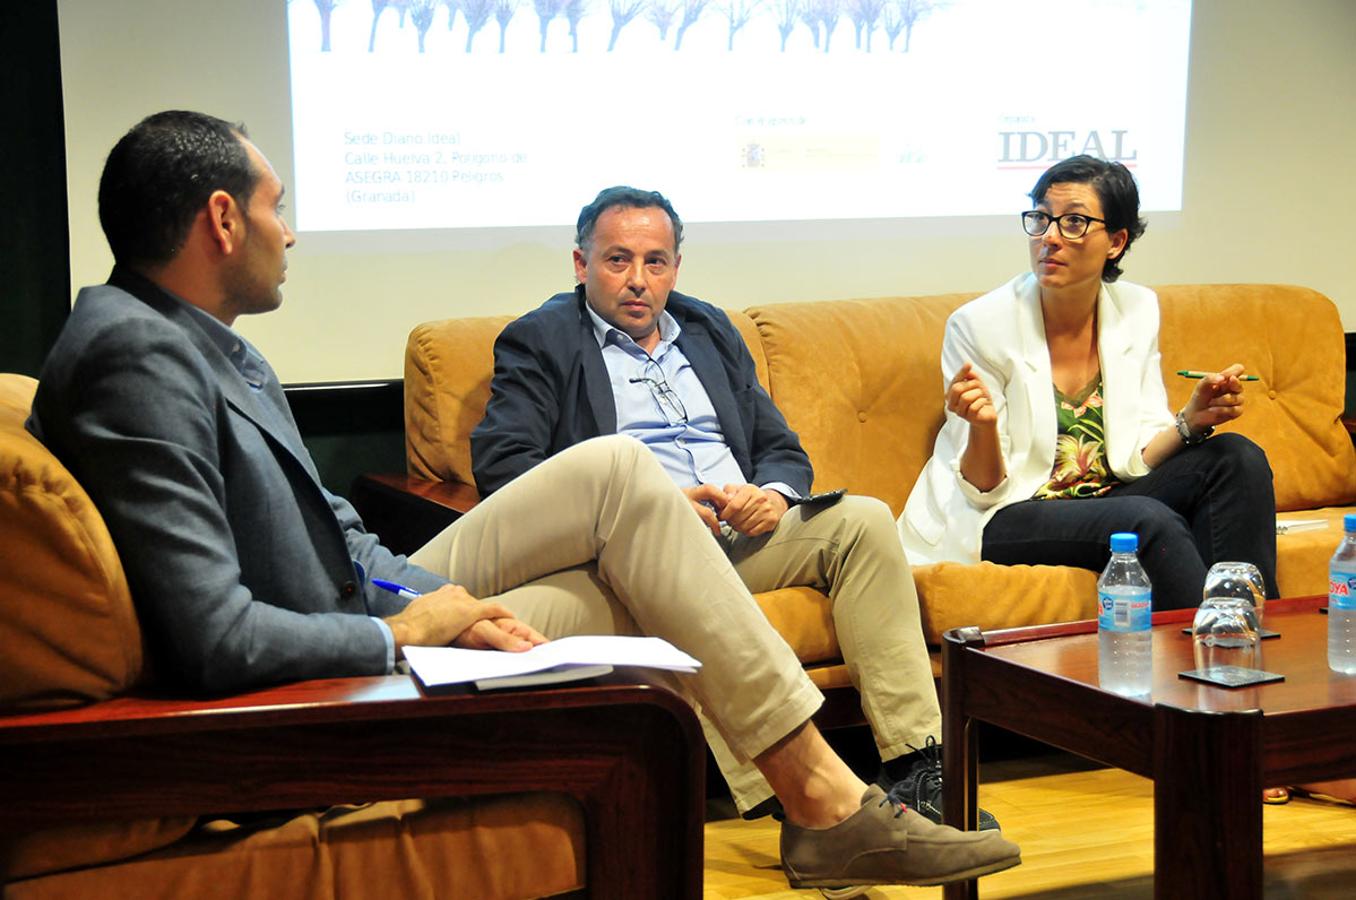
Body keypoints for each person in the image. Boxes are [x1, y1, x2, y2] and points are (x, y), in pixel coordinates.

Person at [27, 111, 1019, 891]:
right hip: (323, 659)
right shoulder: (132, 356)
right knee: (629, 485)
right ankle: (825, 806)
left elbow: (330, 528)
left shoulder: (209, 342)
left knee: (631, 578)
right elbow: (212, 637)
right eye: (278, 206)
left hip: (362, 601)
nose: (294, 230)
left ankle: (842, 804)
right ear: (223, 219)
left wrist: (439, 599)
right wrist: (409, 629)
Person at [470, 185, 999, 833]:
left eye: (655, 261)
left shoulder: (709, 330)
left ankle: (919, 766)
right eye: (617, 260)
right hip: (639, 552)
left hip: (737, 535)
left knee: (860, 521)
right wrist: (650, 507)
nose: (638, 280)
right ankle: (797, 801)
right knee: (674, 562)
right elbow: (504, 468)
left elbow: (781, 449)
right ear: (581, 266)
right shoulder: (541, 340)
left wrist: (772, 497)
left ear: (676, 267)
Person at [898, 155, 1277, 613]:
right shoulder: (980, 326)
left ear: (1116, 241)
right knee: (1145, 519)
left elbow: (1136, 460)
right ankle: (1214, 652)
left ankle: (1256, 632)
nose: (1050, 238)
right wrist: (981, 427)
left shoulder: (1137, 309)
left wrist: (1190, 422)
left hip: (1106, 499)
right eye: (1040, 218)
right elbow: (985, 490)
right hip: (1007, 512)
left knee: (1237, 457)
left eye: (1074, 222)